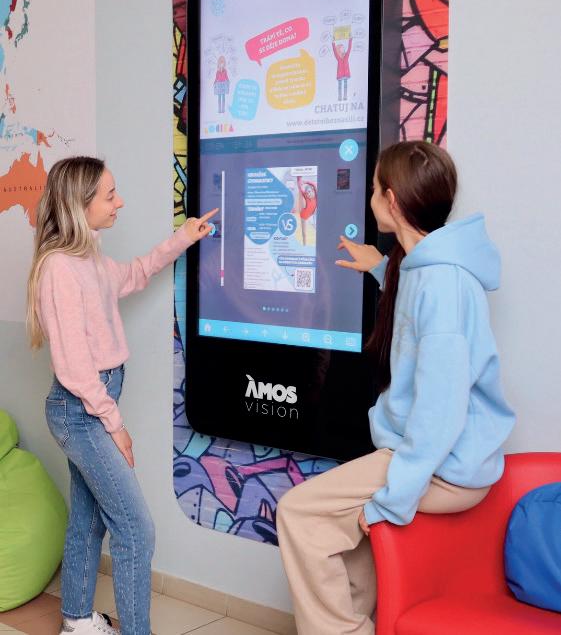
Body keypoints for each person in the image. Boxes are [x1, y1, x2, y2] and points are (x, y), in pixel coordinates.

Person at [276, 140, 516, 635]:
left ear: (391, 199)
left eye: (372, 189)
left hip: (445, 466)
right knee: (351, 542)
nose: (368, 199)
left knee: (297, 514)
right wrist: (380, 267)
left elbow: (439, 414)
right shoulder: (427, 269)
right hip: (435, 454)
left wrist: (392, 499)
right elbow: (421, 311)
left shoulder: (442, 286)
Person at [26, 156, 217, 635]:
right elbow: (74, 367)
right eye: (110, 195)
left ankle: (76, 621)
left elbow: (135, 272)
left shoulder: (88, 260)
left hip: (89, 405)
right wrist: (116, 424)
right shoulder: (59, 270)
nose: (120, 203)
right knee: (135, 529)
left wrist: (183, 237)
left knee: (89, 519)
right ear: (81, 203)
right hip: (81, 411)